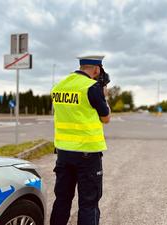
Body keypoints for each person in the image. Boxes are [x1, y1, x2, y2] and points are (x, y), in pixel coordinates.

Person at [50, 55, 111, 225]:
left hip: (63, 153)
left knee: (62, 200)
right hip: (87, 154)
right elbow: (106, 118)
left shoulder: (58, 86)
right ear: (97, 69)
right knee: (88, 203)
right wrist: (104, 95)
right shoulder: (91, 87)